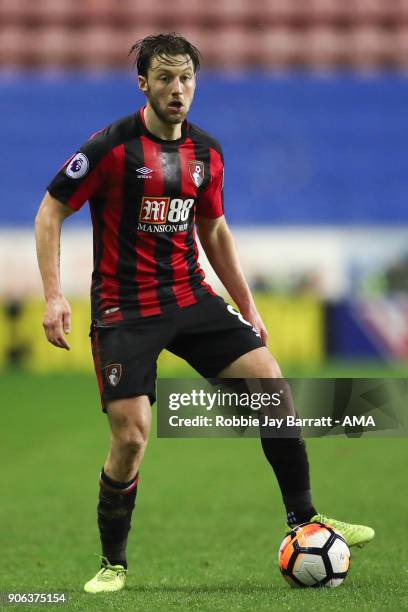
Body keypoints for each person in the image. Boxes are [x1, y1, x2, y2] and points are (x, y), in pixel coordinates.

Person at [35, 33, 374, 594]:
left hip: (190, 296)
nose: (177, 88)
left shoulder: (207, 153)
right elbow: (50, 211)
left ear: (197, 82)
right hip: (126, 309)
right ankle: (113, 563)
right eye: (165, 78)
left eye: (186, 77)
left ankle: (306, 519)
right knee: (132, 436)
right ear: (142, 83)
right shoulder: (109, 149)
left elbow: (213, 229)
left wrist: (247, 306)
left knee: (269, 382)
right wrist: (53, 295)